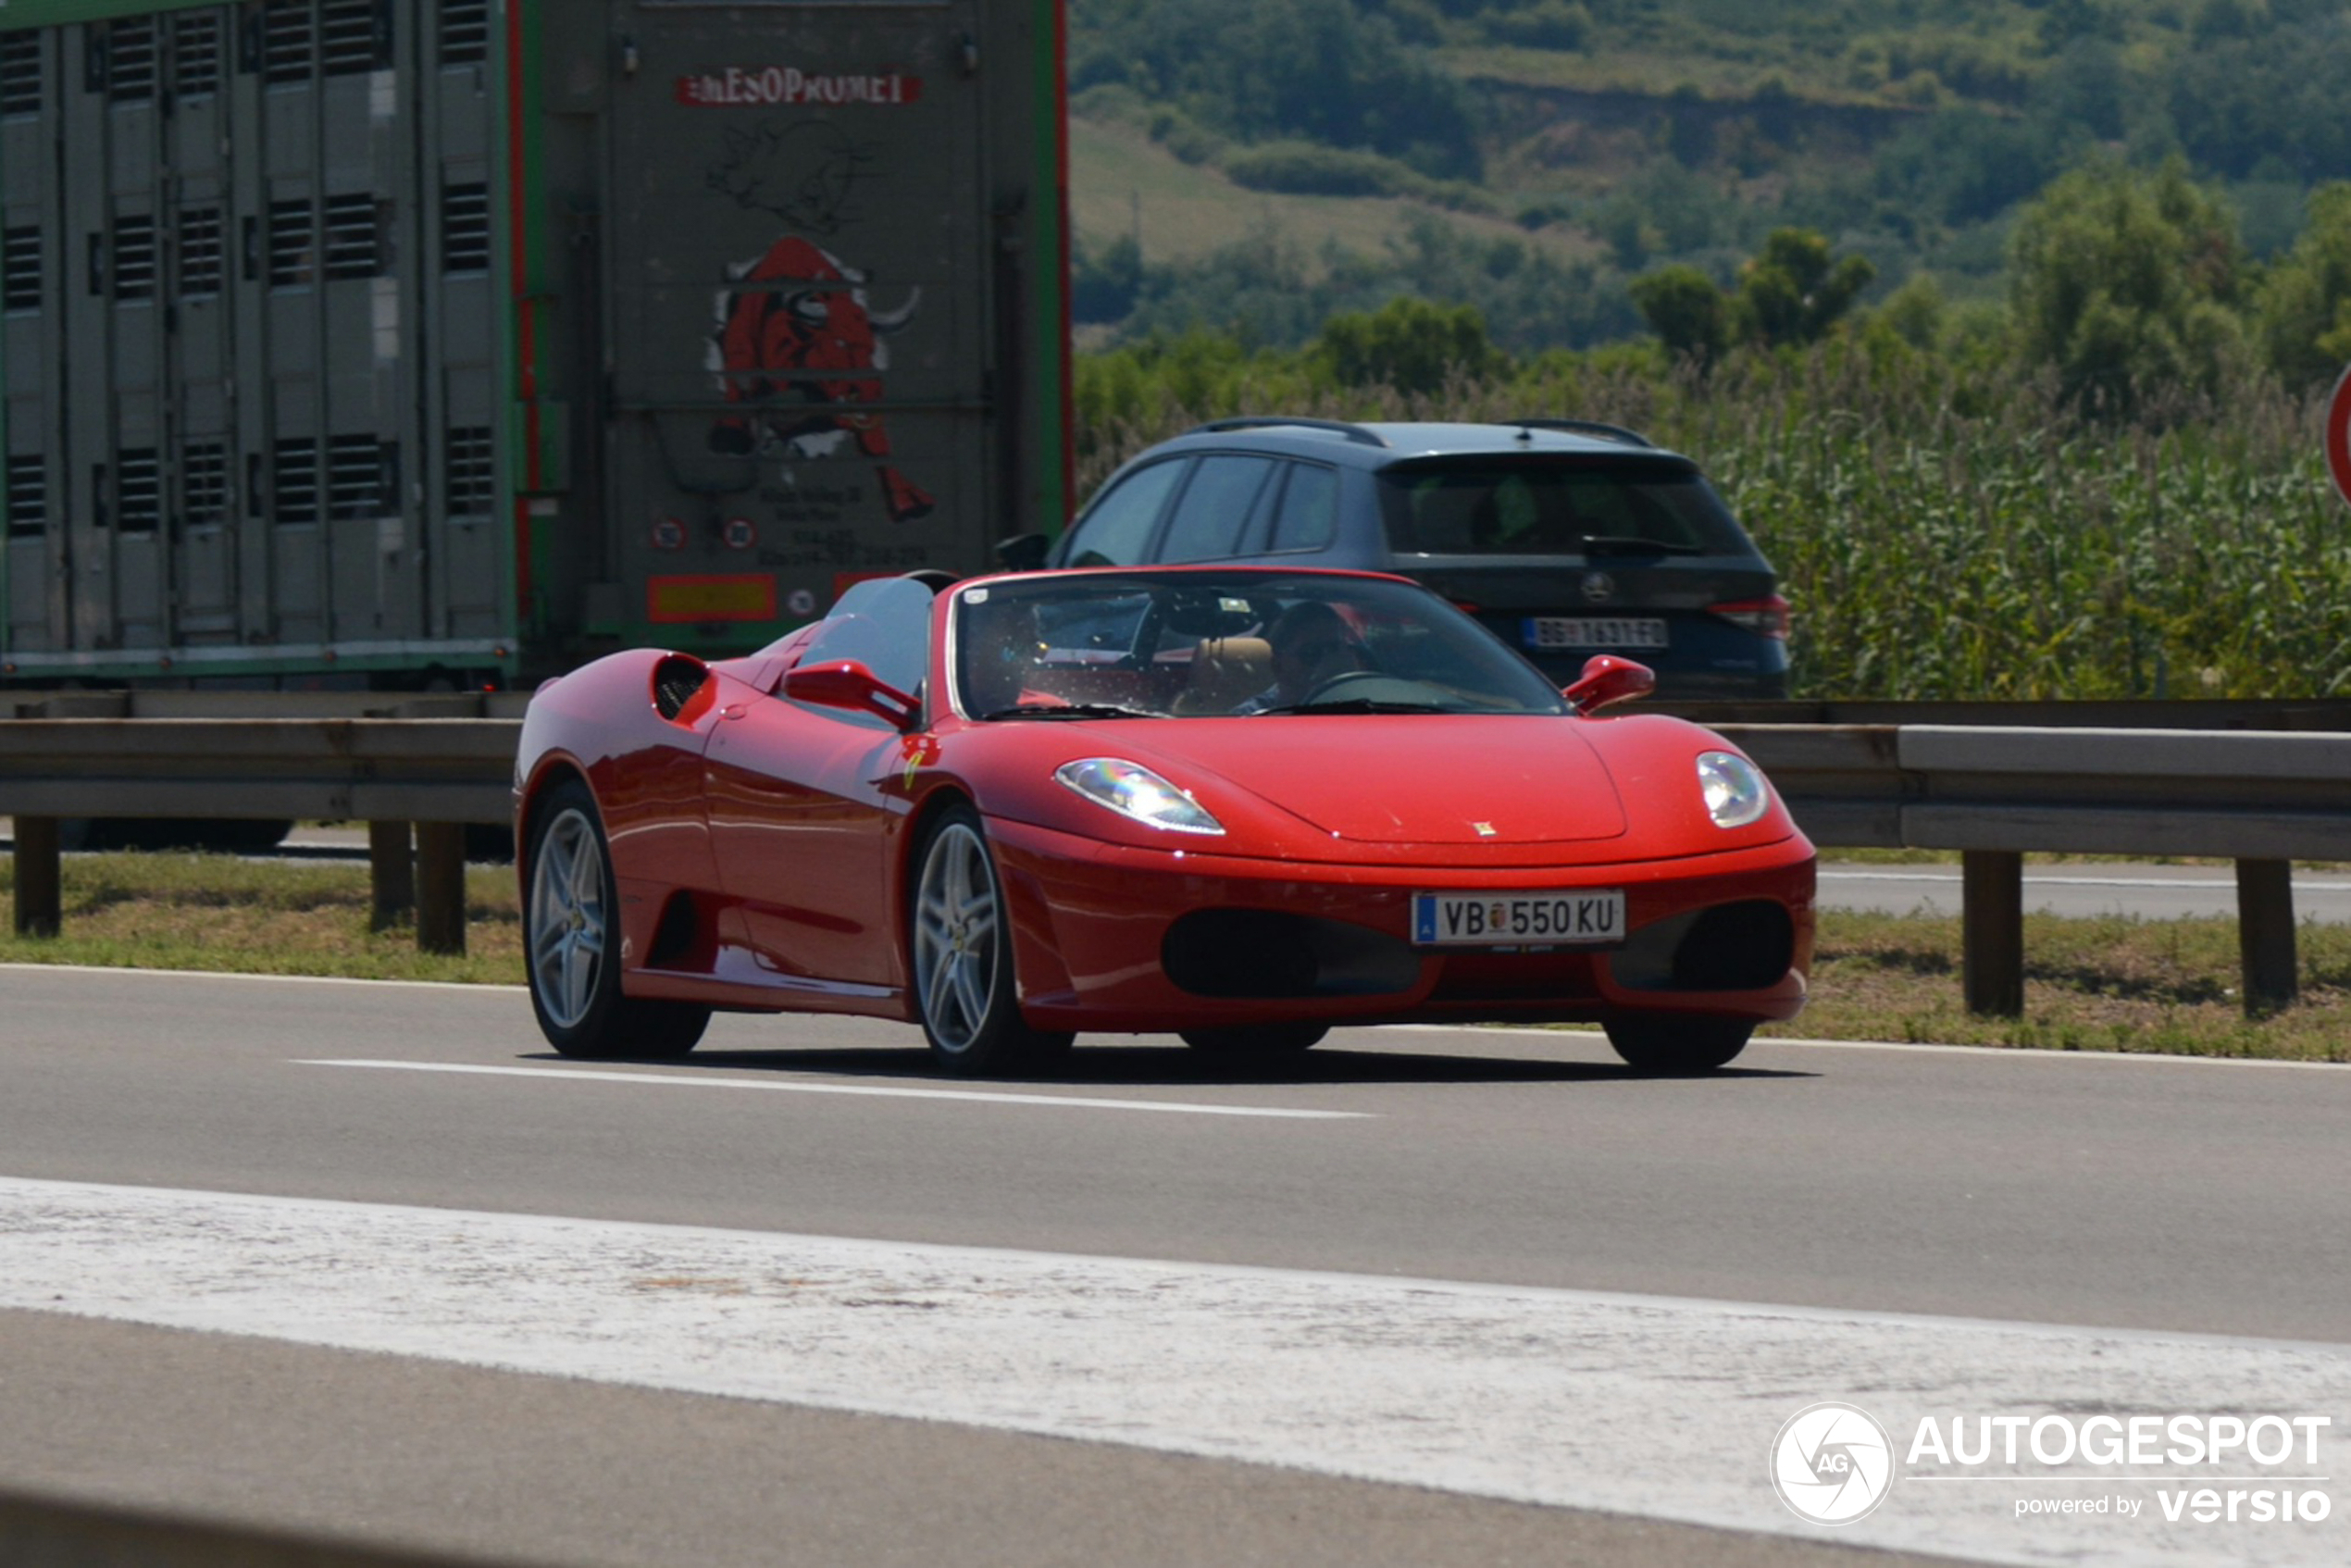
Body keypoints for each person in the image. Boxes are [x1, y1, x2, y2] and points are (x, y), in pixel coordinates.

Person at [1237, 600, 1371, 712]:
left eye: (1334, 649)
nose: (1327, 661)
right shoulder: (1251, 719)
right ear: (1278, 666)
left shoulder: (1374, 706)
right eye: (1312, 653)